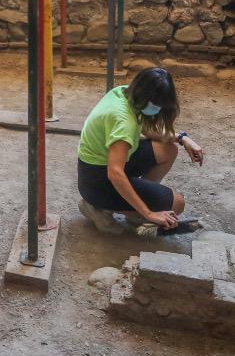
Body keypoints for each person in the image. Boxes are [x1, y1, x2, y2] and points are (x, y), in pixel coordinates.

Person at [75, 67, 204, 234]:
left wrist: (182, 138)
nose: (158, 109)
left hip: (101, 163)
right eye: (157, 105)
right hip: (96, 182)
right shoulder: (123, 122)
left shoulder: (124, 93)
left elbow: (147, 130)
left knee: (168, 149)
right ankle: (97, 208)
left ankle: (134, 209)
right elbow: (115, 173)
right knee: (177, 203)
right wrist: (149, 213)